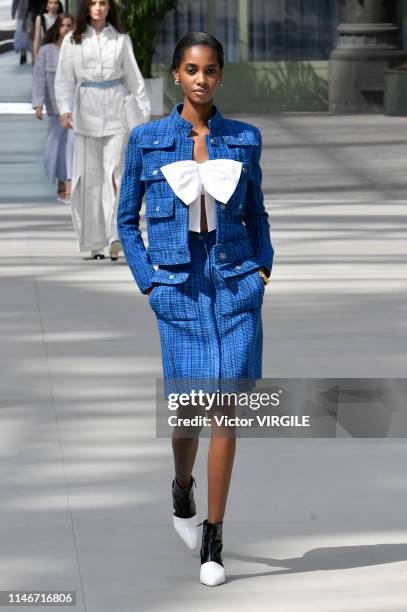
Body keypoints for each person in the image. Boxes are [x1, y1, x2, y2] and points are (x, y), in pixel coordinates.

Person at [117, 32, 274, 586]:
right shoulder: (147, 140)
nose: (201, 78)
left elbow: (257, 215)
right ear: (176, 76)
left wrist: (262, 270)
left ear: (220, 76)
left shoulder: (245, 140)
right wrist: (149, 285)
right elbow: (125, 223)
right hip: (178, 289)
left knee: (225, 405)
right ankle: (182, 487)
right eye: (191, 69)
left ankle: (214, 533)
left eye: (210, 70)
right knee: (189, 407)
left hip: (234, 285)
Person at [54, 0, 150, 261]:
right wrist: (64, 109)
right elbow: (63, 79)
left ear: (109, 8)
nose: (98, 7)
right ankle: (95, 242)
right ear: (86, 7)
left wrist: (143, 115)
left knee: (116, 176)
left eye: (103, 3)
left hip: (117, 113)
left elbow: (135, 79)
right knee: (90, 180)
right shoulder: (73, 41)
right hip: (85, 115)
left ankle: (115, 235)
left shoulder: (120, 40)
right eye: (93, 3)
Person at [32, 13, 74, 202]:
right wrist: (38, 104)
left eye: (70, 25)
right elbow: (39, 78)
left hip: (76, 107)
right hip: (55, 108)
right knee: (57, 146)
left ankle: (70, 183)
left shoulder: (78, 49)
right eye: (64, 25)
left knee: (72, 146)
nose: (67, 29)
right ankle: (61, 182)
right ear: (58, 27)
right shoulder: (46, 51)